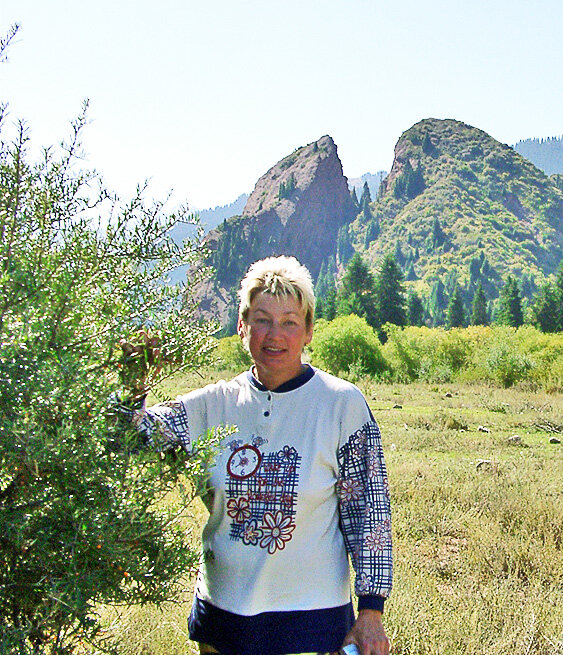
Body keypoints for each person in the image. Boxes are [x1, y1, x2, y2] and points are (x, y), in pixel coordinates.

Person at [124, 256, 392, 655]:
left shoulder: (341, 405)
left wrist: (371, 611)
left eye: (289, 322)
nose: (274, 335)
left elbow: (369, 514)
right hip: (223, 624)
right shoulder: (213, 405)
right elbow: (137, 437)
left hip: (311, 626)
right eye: (262, 319)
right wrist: (132, 383)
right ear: (242, 326)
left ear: (309, 332)